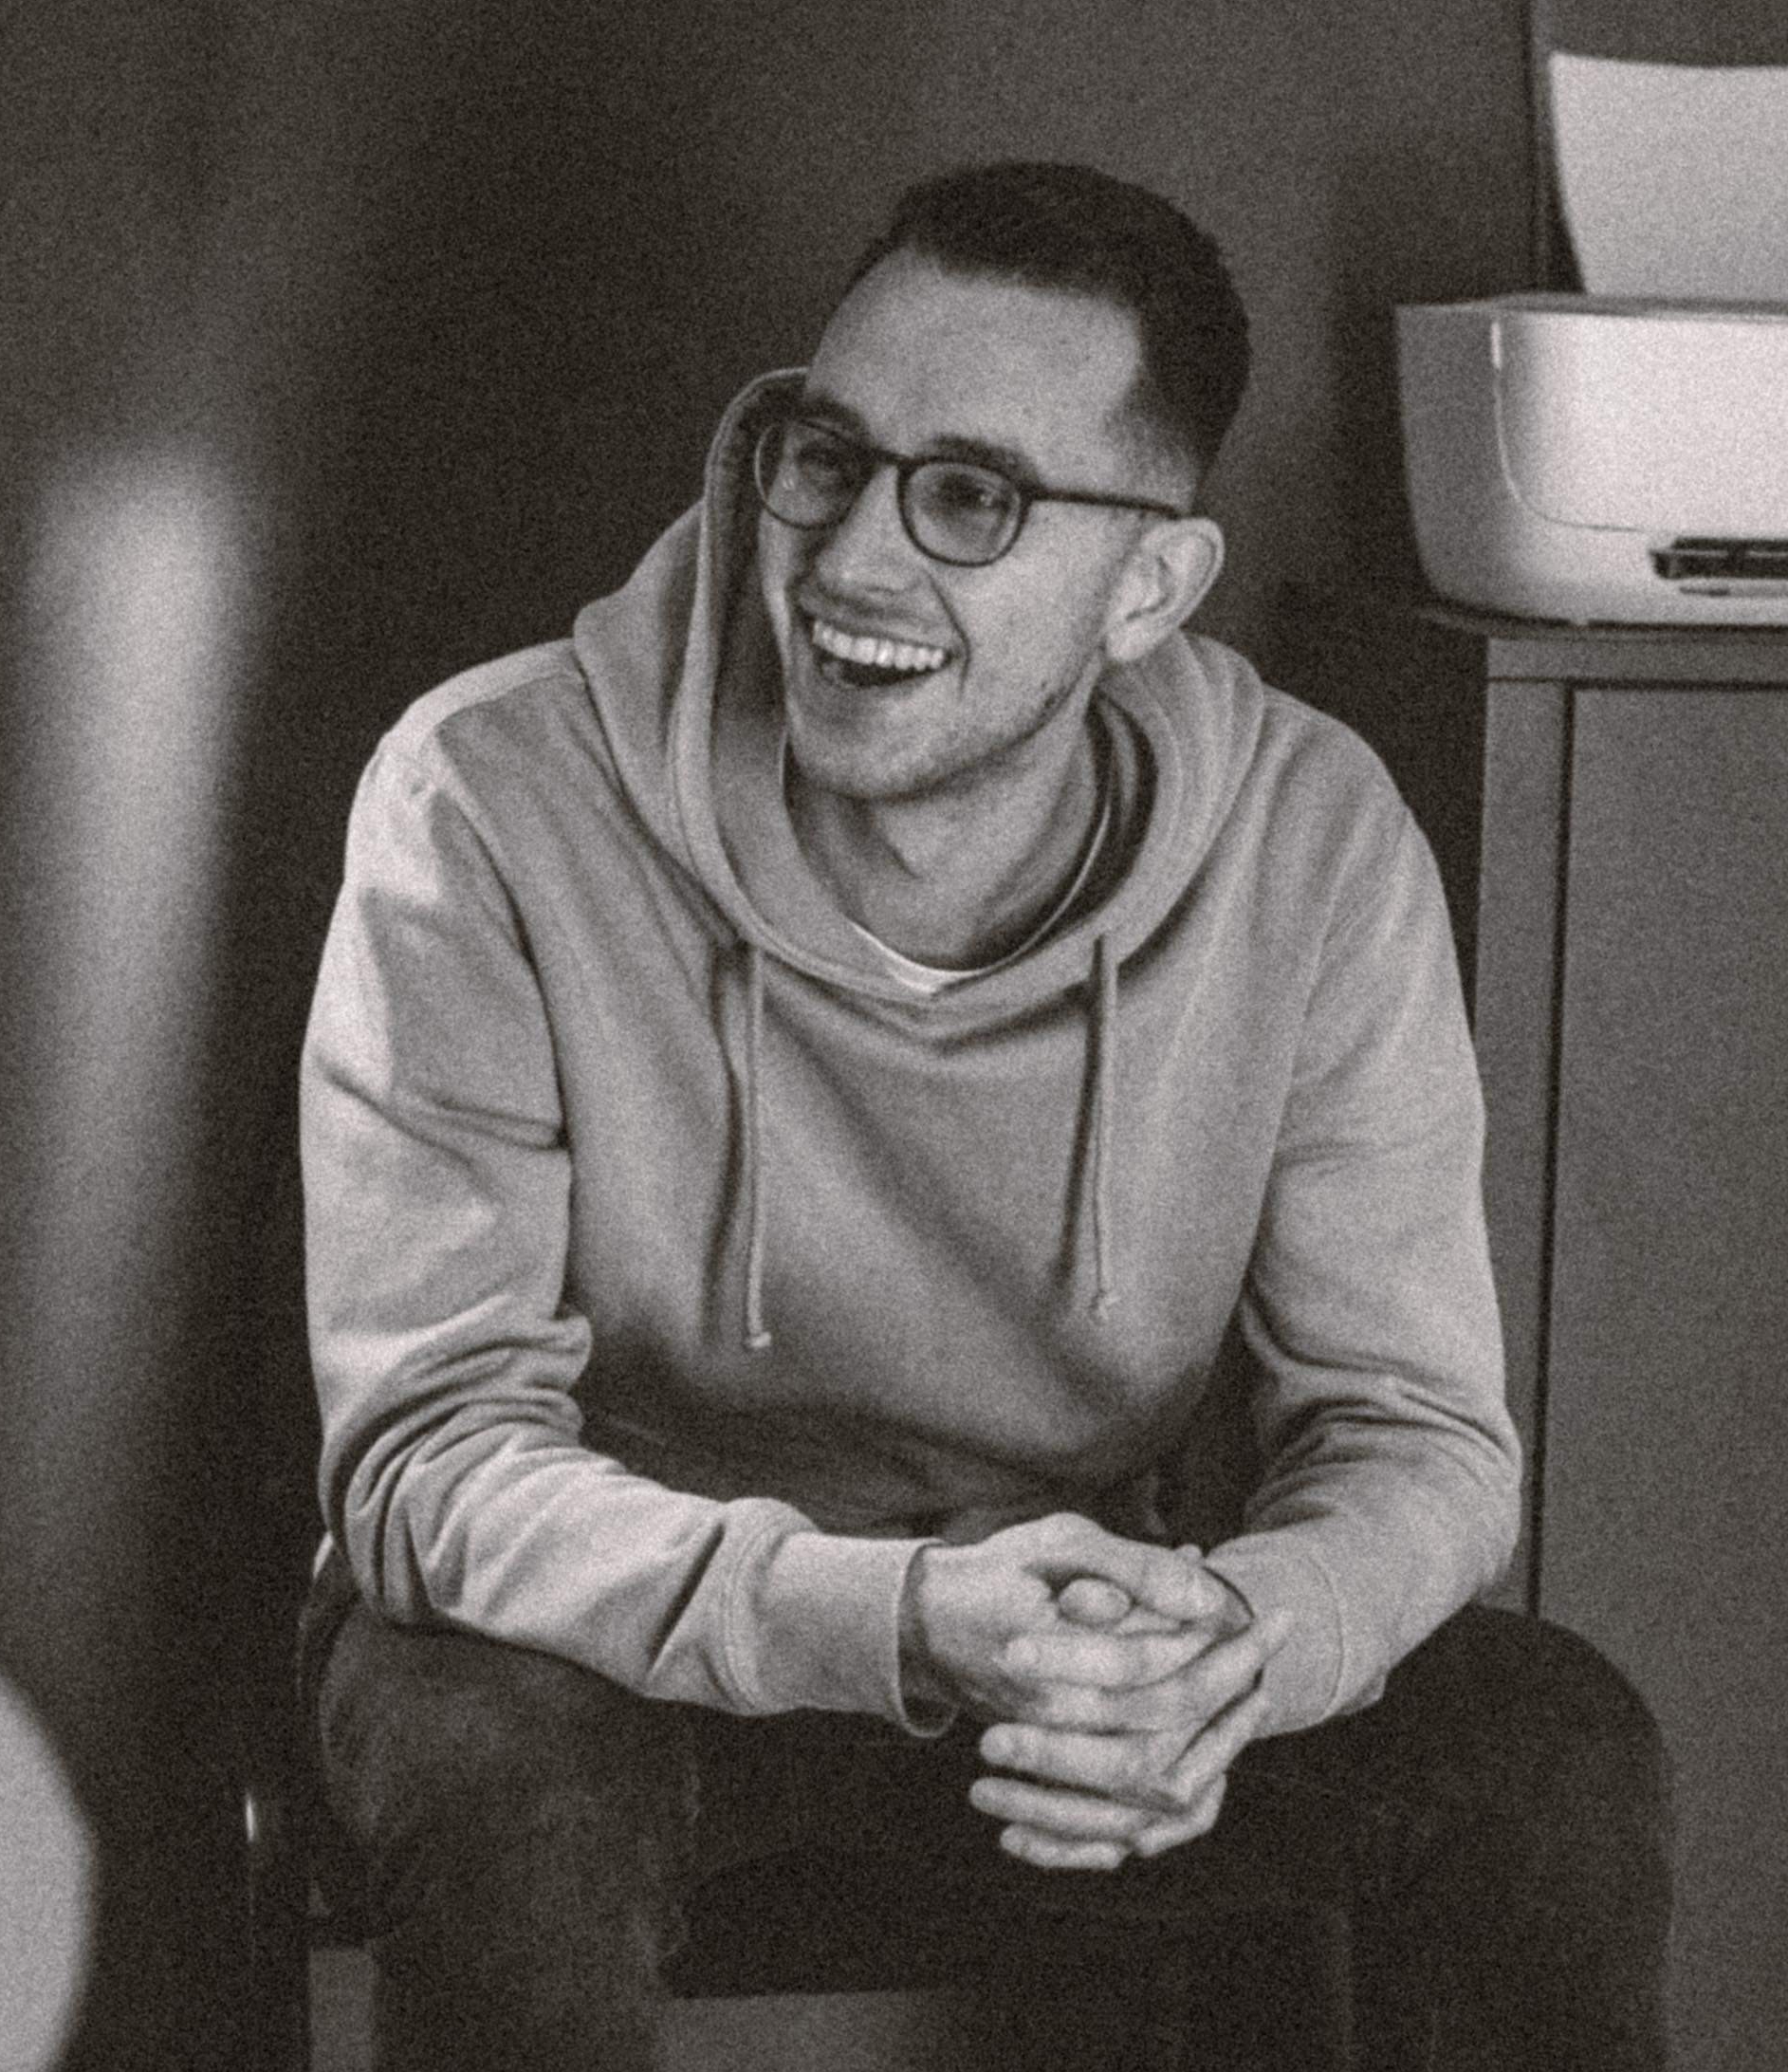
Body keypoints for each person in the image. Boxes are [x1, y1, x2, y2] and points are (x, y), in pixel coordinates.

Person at [298, 159, 1670, 2069]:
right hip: (599, 1633)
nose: (852, 561)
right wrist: (899, 1615)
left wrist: (1235, 1650)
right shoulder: (490, 795)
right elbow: (429, 1462)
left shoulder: (1312, 839)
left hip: (1052, 1635)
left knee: (1547, 1746)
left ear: (1147, 588)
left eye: (972, 497)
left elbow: (1416, 1435)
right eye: (824, 458)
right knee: (502, 1767)